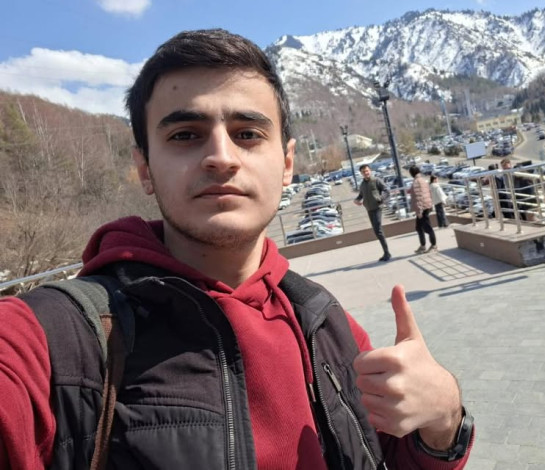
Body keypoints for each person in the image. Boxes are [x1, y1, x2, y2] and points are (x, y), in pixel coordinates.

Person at [0, 29, 473, 470]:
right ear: (145, 169)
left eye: (247, 134)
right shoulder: (62, 339)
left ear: (286, 164)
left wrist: (444, 419)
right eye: (185, 135)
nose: (221, 157)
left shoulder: (324, 321)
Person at [354, 164, 392, 262]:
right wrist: (356, 200)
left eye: (367, 171)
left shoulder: (376, 180)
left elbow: (386, 190)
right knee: (376, 231)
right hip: (369, 209)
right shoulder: (362, 184)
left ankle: (387, 253)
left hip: (377, 208)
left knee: (378, 230)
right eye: (363, 172)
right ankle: (386, 252)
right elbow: (361, 195)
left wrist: (381, 198)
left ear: (370, 171)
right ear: (361, 173)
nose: (365, 173)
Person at [409, 165, 437, 253]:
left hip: (422, 208)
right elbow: (427, 193)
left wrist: (419, 211)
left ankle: (433, 245)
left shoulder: (416, 182)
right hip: (426, 206)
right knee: (419, 227)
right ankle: (423, 246)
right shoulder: (422, 180)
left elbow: (419, 197)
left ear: (412, 173)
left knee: (427, 227)